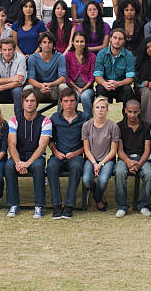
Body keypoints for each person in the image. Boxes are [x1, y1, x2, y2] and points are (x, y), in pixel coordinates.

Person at [5, 90, 52, 218]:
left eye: (32, 101)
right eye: (27, 101)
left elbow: (42, 147)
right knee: (9, 166)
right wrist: (18, 162)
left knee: (38, 166)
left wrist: (27, 163)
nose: (29, 103)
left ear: (37, 103)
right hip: (19, 156)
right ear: (22, 103)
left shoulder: (46, 121)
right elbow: (11, 145)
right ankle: (13, 204)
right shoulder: (14, 120)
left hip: (36, 156)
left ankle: (38, 206)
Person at [47, 88, 90, 219]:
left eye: (72, 101)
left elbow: (88, 143)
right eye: (66, 101)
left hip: (76, 155)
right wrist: (55, 152)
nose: (69, 104)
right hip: (58, 154)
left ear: (77, 102)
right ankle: (56, 205)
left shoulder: (85, 118)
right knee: (51, 166)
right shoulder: (54, 118)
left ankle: (69, 206)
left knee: (77, 167)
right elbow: (50, 140)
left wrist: (76, 153)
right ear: (61, 102)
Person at [114, 100, 151, 218]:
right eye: (130, 112)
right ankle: (122, 206)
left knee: (149, 174)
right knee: (119, 172)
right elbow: (119, 151)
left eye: (135, 112)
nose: (132, 115)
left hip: (142, 158)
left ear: (139, 112)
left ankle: (144, 205)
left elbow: (147, 150)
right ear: (125, 111)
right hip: (124, 158)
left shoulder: (146, 126)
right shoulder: (120, 126)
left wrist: (138, 164)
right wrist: (129, 162)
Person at [81, 96, 120, 211]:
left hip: (107, 159)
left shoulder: (113, 126)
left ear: (107, 109)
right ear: (93, 109)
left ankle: (97, 198)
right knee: (86, 181)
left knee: (102, 181)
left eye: (103, 107)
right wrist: (94, 163)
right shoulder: (86, 126)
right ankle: (100, 196)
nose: (100, 110)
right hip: (91, 158)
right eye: (97, 107)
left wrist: (101, 164)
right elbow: (86, 149)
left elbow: (113, 151)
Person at [93, 28, 135, 111]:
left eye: (120, 39)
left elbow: (130, 78)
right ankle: (101, 119)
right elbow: (97, 76)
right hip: (105, 85)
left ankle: (126, 119)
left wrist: (118, 84)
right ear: (110, 39)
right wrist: (105, 83)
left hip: (121, 86)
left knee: (128, 90)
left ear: (124, 41)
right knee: (100, 89)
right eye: (115, 38)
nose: (117, 41)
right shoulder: (102, 53)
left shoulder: (129, 55)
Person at [25, 31, 68, 103]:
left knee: (64, 87)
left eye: (49, 42)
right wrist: (41, 85)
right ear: (40, 45)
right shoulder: (32, 58)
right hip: (39, 89)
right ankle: (28, 114)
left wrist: (50, 84)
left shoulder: (60, 57)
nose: (47, 45)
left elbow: (63, 78)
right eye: (44, 42)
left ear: (53, 44)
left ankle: (61, 114)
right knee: (27, 88)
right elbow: (30, 79)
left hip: (54, 88)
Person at [0, 37, 27, 115]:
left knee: (18, 91)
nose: (7, 53)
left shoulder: (21, 58)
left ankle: (19, 120)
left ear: (14, 49)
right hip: (3, 86)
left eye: (10, 49)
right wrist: (12, 78)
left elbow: (20, 81)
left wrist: (0, 87)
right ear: (0, 50)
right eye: (4, 50)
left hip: (14, 87)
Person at [65, 31, 96, 117]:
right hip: (73, 87)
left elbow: (93, 77)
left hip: (87, 88)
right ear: (73, 43)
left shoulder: (92, 56)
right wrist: (78, 89)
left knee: (85, 97)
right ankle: (72, 119)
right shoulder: (68, 56)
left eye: (82, 41)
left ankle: (89, 120)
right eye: (77, 41)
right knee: (73, 97)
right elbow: (67, 77)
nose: (79, 44)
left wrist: (83, 89)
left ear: (85, 43)